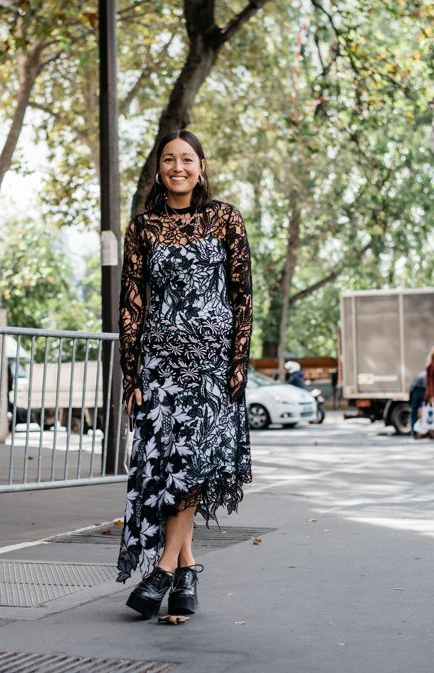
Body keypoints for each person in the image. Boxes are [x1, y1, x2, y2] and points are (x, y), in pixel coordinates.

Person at [118, 129, 253, 619]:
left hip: (211, 368)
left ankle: (164, 569)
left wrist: (237, 365)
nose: (178, 167)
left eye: (187, 159)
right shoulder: (142, 229)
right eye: (169, 159)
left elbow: (242, 297)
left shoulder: (225, 219)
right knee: (166, 466)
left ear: (201, 166)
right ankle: (184, 573)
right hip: (159, 366)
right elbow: (131, 306)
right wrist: (130, 375)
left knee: (193, 463)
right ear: (159, 168)